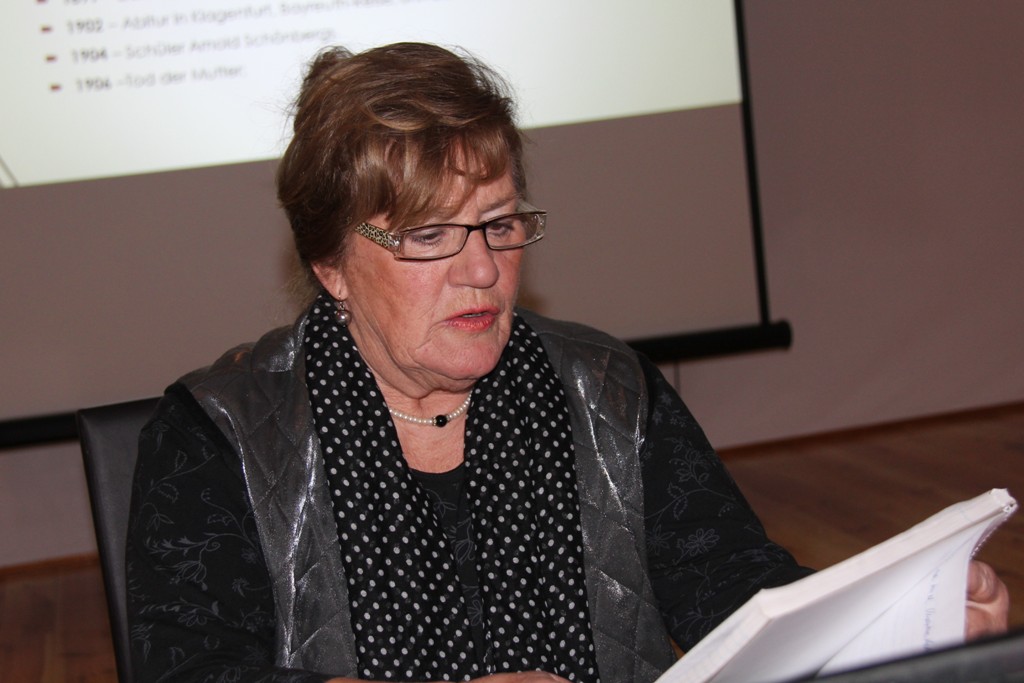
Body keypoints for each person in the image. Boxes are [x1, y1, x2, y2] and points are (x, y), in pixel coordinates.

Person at [125, 42, 1009, 683]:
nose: (482, 269)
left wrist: (906, 621)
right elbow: (194, 670)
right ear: (330, 265)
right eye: (430, 235)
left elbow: (737, 588)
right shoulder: (221, 432)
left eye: (500, 223)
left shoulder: (606, 389)